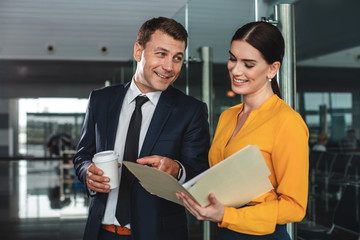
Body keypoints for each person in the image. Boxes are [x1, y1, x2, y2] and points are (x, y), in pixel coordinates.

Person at [73, 17, 210, 240]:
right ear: (139, 52)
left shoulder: (190, 111)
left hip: (159, 234)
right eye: (161, 54)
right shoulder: (101, 100)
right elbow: (82, 156)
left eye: (177, 58)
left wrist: (176, 169)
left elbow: (200, 173)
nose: (169, 67)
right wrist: (87, 171)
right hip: (101, 232)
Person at [177, 21, 309, 239]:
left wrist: (227, 216)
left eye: (248, 64)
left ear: (273, 69)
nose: (235, 70)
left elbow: (295, 207)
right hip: (226, 230)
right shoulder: (228, 116)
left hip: (263, 234)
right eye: (232, 59)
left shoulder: (287, 122)